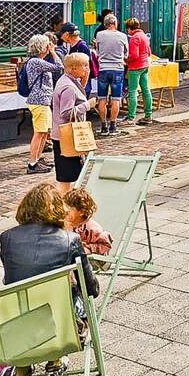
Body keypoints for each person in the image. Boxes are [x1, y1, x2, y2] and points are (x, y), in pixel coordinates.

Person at [0, 184, 99, 376]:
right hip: (62, 327)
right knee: (70, 297)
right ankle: (55, 359)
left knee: (28, 297)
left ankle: (23, 367)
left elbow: (9, 279)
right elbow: (90, 289)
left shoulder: (7, 237)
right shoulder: (70, 239)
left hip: (19, 323)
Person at [51, 53, 97, 194]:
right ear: (73, 68)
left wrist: (83, 82)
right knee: (67, 175)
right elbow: (66, 113)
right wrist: (88, 105)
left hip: (65, 136)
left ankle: (69, 202)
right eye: (84, 65)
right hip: (66, 138)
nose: (87, 68)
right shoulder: (68, 87)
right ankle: (65, 204)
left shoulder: (68, 80)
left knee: (72, 173)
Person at [23, 34, 63, 175]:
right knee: (39, 133)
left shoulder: (36, 61)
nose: (49, 47)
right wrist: (53, 52)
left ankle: (37, 159)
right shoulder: (36, 62)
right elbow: (59, 67)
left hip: (42, 101)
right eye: (47, 45)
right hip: (39, 101)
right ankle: (32, 163)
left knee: (44, 133)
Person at [94, 14, 128, 136]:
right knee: (116, 99)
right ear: (115, 23)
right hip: (117, 69)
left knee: (102, 98)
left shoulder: (99, 35)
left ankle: (103, 125)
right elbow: (126, 53)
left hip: (103, 69)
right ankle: (113, 125)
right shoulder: (122, 36)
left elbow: (97, 52)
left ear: (105, 24)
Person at [63, 188, 113, 257]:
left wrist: (89, 249)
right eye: (64, 208)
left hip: (93, 259)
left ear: (81, 212)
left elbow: (105, 245)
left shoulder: (92, 228)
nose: (65, 211)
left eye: (69, 209)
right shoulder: (67, 223)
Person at [125, 17, 153, 126]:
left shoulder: (134, 38)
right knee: (146, 91)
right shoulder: (144, 36)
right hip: (145, 66)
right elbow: (149, 52)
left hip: (135, 67)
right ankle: (148, 115)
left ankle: (131, 118)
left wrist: (126, 59)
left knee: (132, 92)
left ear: (129, 28)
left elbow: (134, 55)